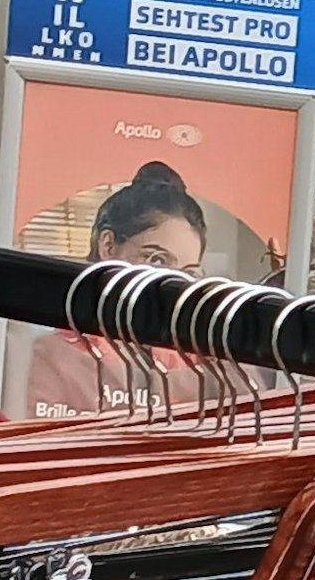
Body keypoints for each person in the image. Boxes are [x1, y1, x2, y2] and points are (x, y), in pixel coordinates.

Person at [15, 163, 209, 419]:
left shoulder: (195, 357)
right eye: (157, 260)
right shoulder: (55, 354)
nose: (171, 285)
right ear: (108, 245)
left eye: (188, 273)